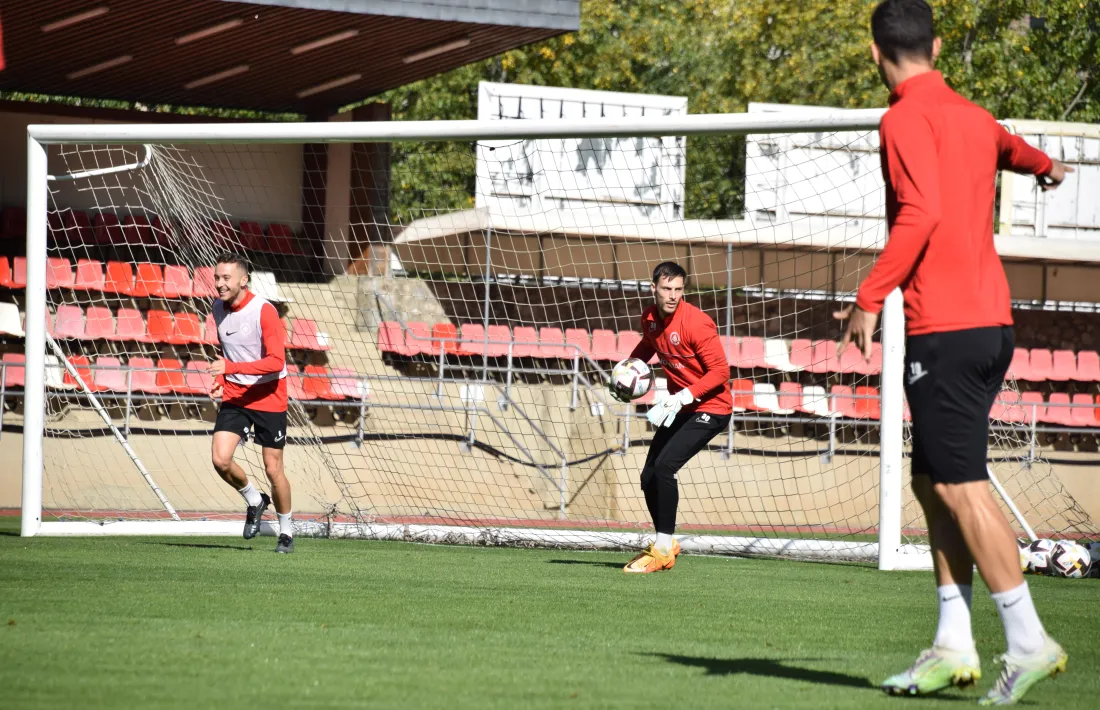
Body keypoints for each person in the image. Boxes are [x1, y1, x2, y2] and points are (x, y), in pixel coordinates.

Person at [836, 1, 1073, 703]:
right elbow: (1013, 148)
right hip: (986, 325)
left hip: (947, 330)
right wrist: (1046, 166)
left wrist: (870, 296)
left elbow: (923, 211)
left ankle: (1030, 643)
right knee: (931, 480)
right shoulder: (970, 115)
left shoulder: (902, 118)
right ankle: (953, 645)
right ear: (936, 46)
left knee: (962, 487)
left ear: (875, 54)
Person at [612, 261, 732, 574]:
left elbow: (721, 372)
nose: (673, 295)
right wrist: (623, 376)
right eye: (667, 289)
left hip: (712, 408)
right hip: (682, 406)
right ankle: (665, 543)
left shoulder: (696, 323)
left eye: (678, 289)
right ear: (654, 288)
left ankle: (663, 549)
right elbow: (647, 345)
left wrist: (683, 396)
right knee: (648, 476)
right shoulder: (650, 318)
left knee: (665, 467)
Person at [207, 253, 296, 554]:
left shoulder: (264, 311)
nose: (219, 284)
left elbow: (275, 361)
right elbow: (230, 351)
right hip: (236, 394)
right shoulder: (217, 308)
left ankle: (285, 531)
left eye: (226, 278)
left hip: (269, 395)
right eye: (217, 277)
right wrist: (222, 379)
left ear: (243, 280)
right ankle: (255, 500)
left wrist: (228, 370)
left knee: (273, 470)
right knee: (220, 459)